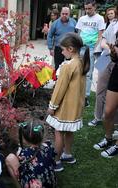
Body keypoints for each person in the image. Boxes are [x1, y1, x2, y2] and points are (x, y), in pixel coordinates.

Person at [46, 32, 90, 171]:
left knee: (59, 131)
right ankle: (68, 154)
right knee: (69, 131)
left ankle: (57, 161)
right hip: (76, 106)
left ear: (70, 49)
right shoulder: (82, 62)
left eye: (63, 49)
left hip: (65, 106)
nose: (62, 52)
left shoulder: (68, 66)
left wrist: (52, 106)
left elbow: (60, 89)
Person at [5, 121, 56, 188]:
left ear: (25, 139)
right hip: (49, 182)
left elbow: (20, 168)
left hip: (35, 184)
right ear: (42, 135)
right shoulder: (49, 145)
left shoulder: (22, 154)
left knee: (9, 159)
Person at [88, 16, 118, 127]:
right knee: (100, 88)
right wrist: (112, 49)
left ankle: (114, 121)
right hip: (105, 56)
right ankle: (97, 117)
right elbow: (102, 43)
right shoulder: (113, 24)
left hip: (116, 59)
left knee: (115, 91)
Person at [75, 0, 105, 107]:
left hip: (92, 49)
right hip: (81, 48)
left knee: (88, 73)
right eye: (86, 8)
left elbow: (101, 35)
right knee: (79, 71)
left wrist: (96, 48)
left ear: (94, 7)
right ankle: (77, 93)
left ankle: (86, 96)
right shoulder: (82, 19)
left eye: (89, 8)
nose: (87, 11)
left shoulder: (100, 18)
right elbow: (78, 33)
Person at [93, 32, 118, 158]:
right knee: (108, 112)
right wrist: (113, 51)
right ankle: (108, 137)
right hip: (113, 66)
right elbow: (104, 42)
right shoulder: (113, 26)